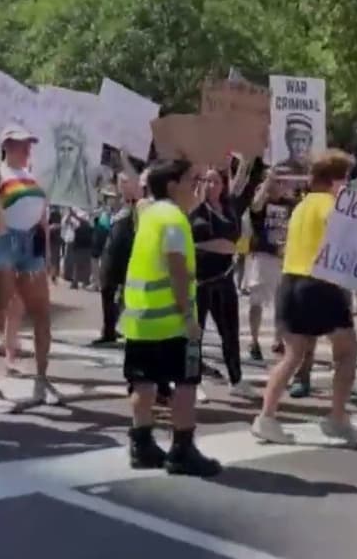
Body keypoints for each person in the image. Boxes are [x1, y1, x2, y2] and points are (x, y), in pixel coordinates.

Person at [251, 149, 357, 445]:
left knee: (292, 355)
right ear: (338, 180)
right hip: (320, 283)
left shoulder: (302, 205)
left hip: (290, 281)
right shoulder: (332, 205)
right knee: (347, 351)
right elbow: (344, 234)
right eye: (346, 179)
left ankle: (267, 417)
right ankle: (337, 418)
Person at [122, 158, 220, 477]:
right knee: (185, 382)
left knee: (143, 382)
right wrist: (188, 317)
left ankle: (141, 444)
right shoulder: (174, 220)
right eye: (193, 180)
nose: (199, 187)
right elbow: (177, 270)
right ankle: (182, 449)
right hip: (171, 320)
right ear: (173, 185)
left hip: (140, 317)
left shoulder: (149, 215)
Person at [0, 125, 60, 410]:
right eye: (21, 143)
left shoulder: (33, 177)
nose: (27, 147)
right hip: (3, 241)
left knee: (42, 315)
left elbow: (42, 221)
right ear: (7, 145)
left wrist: (48, 257)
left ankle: (42, 379)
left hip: (31, 246)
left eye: (29, 143)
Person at [190, 164, 258, 400]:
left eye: (215, 181)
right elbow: (190, 241)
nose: (211, 185)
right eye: (206, 181)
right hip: (200, 279)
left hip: (225, 277)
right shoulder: (195, 209)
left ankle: (236, 378)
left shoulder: (229, 209)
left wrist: (246, 158)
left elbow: (245, 180)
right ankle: (192, 382)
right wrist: (216, 245)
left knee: (230, 331)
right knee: (194, 333)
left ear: (222, 185)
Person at [244, 169, 297, 363]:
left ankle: (278, 339)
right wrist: (268, 180)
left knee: (282, 302)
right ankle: (254, 340)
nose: (280, 185)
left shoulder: (290, 204)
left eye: (282, 182)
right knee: (256, 301)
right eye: (277, 181)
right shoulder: (262, 201)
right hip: (262, 256)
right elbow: (255, 205)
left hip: (283, 258)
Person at [95, 170, 141, 346]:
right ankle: (108, 329)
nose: (122, 185)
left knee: (126, 293)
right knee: (107, 289)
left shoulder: (137, 205)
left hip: (128, 252)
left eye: (126, 182)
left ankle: (118, 326)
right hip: (111, 251)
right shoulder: (113, 203)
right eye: (121, 182)